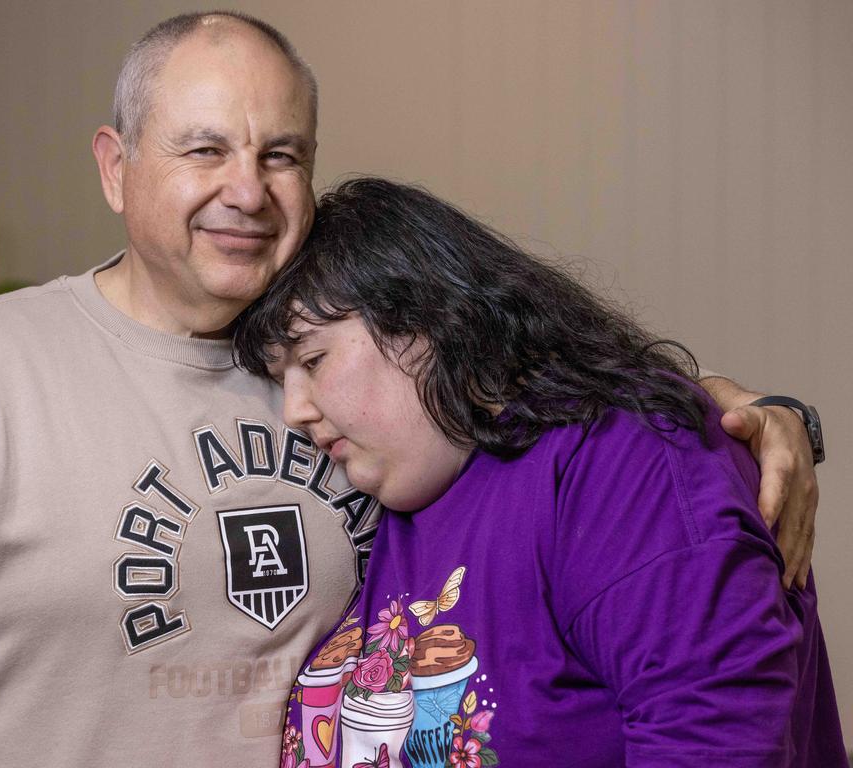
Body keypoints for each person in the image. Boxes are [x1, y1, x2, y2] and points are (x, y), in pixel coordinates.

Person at [0, 11, 826, 768]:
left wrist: (751, 420)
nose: (247, 190)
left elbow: (578, 437)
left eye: (281, 155)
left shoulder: (384, 408)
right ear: (116, 167)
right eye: (204, 147)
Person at [233, 177, 845, 766]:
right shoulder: (387, 493)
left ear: (430, 320)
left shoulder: (620, 462)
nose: (295, 411)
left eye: (313, 359)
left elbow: (716, 737)